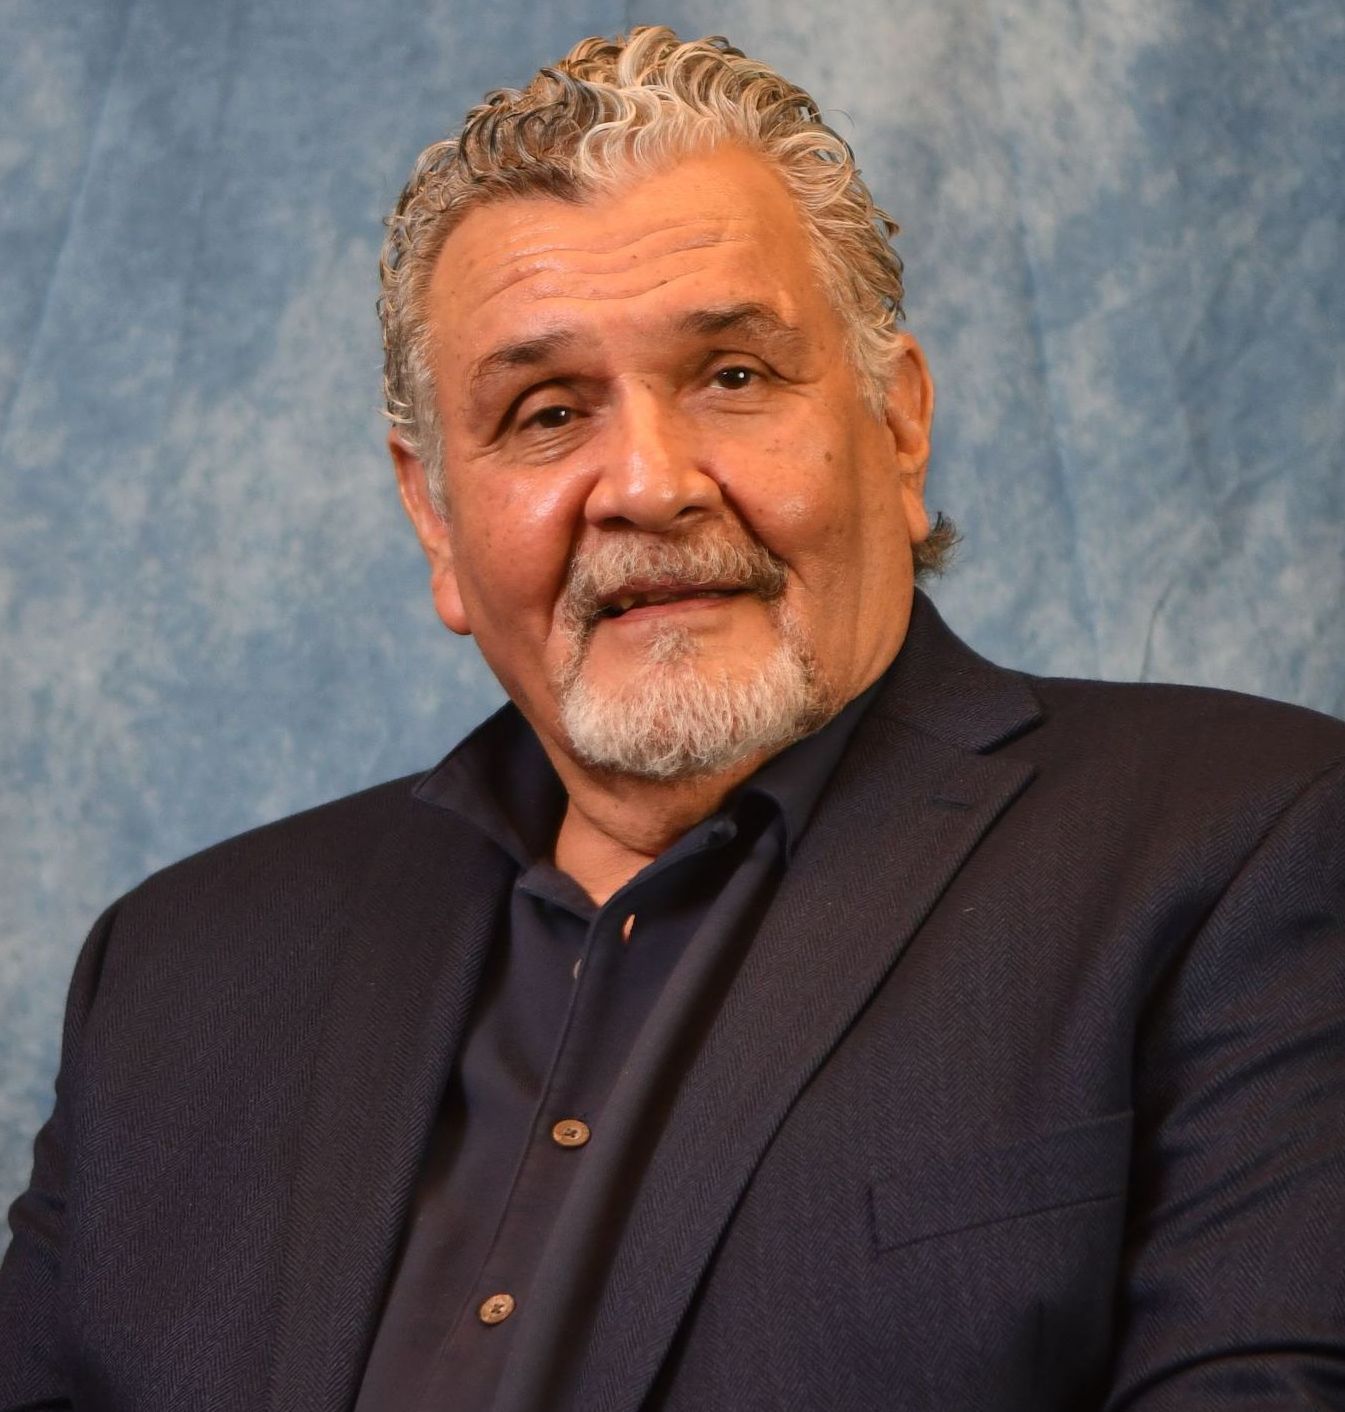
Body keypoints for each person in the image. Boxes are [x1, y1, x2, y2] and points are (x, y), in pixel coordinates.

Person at [2, 25, 1343, 1412]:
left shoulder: (1248, 848)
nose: (646, 484)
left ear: (895, 430)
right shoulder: (175, 972)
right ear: (434, 516)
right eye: (543, 411)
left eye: (732, 377)